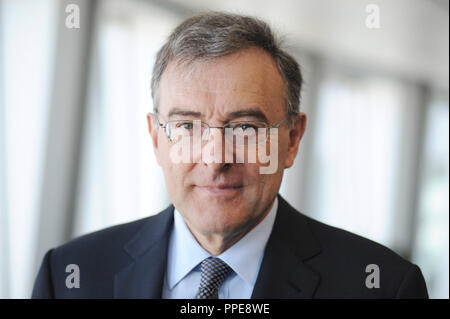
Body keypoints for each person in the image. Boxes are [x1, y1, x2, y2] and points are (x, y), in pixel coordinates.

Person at [32, 12, 428, 299]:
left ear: (291, 140)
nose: (216, 158)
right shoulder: (71, 276)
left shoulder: (380, 288)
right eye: (187, 126)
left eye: (245, 128)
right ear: (156, 140)